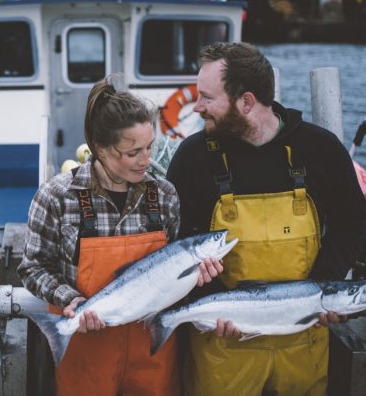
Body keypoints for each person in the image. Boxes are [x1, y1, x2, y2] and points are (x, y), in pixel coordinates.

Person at [166, 42, 366, 395]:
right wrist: (214, 304)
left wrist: (322, 291)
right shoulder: (193, 157)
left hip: (303, 339)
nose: (196, 107)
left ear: (246, 102)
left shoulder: (320, 149)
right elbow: (179, 242)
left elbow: (352, 223)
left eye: (207, 98)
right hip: (224, 345)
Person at [18, 73, 223, 396]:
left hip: (152, 355)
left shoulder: (165, 195)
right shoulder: (56, 196)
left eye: (149, 147)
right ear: (100, 148)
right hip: (86, 351)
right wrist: (70, 300)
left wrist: (196, 276)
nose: (146, 161)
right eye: (132, 153)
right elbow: (32, 267)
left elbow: (170, 276)